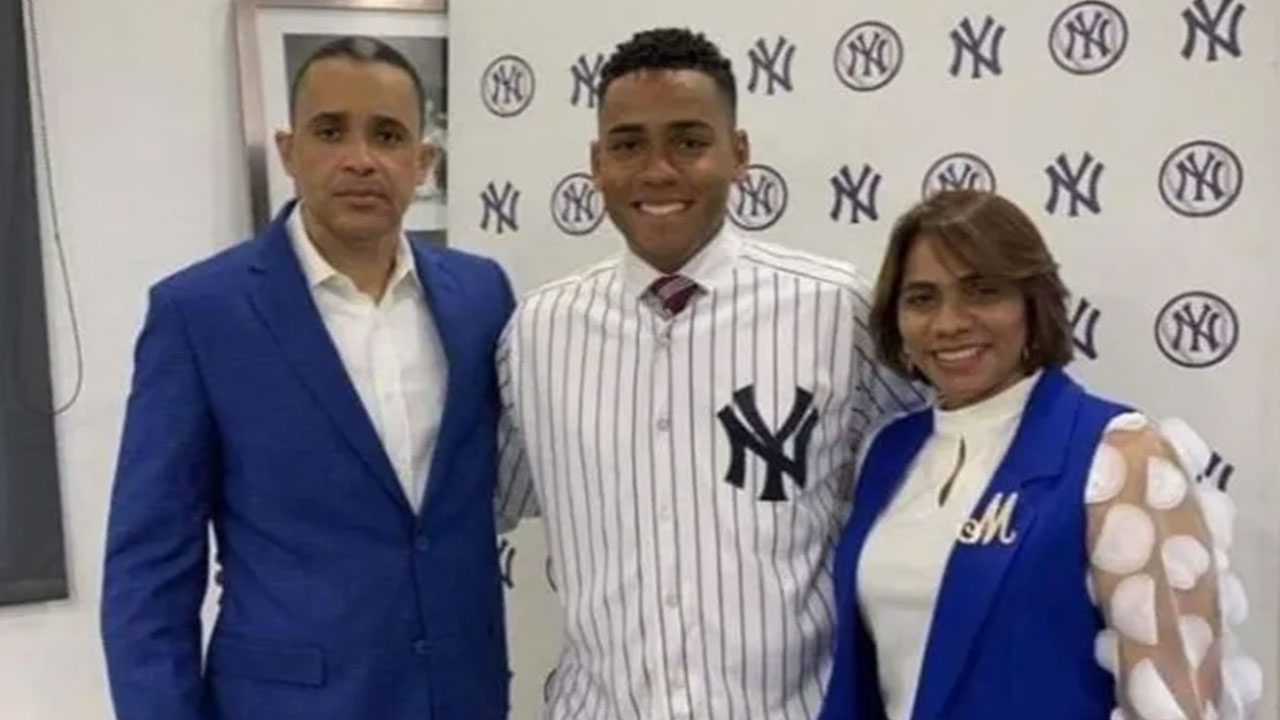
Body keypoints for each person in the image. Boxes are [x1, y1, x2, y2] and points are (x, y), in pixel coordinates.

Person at [496, 27, 924, 719]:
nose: (658, 170)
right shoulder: (536, 333)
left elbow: (931, 486)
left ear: (739, 153)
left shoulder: (835, 310)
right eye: (628, 145)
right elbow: (487, 500)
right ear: (597, 163)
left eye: (689, 141)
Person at [101, 36, 514, 720]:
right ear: (289, 150)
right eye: (330, 131)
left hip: (461, 696)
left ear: (423, 162)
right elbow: (148, 572)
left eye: (387, 135)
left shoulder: (481, 297)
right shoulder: (200, 314)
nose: (360, 158)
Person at [818, 189, 1262, 720]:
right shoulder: (888, 452)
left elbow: (1175, 704)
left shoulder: (1120, 452)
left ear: (1032, 302)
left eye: (982, 292)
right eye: (922, 298)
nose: (949, 322)